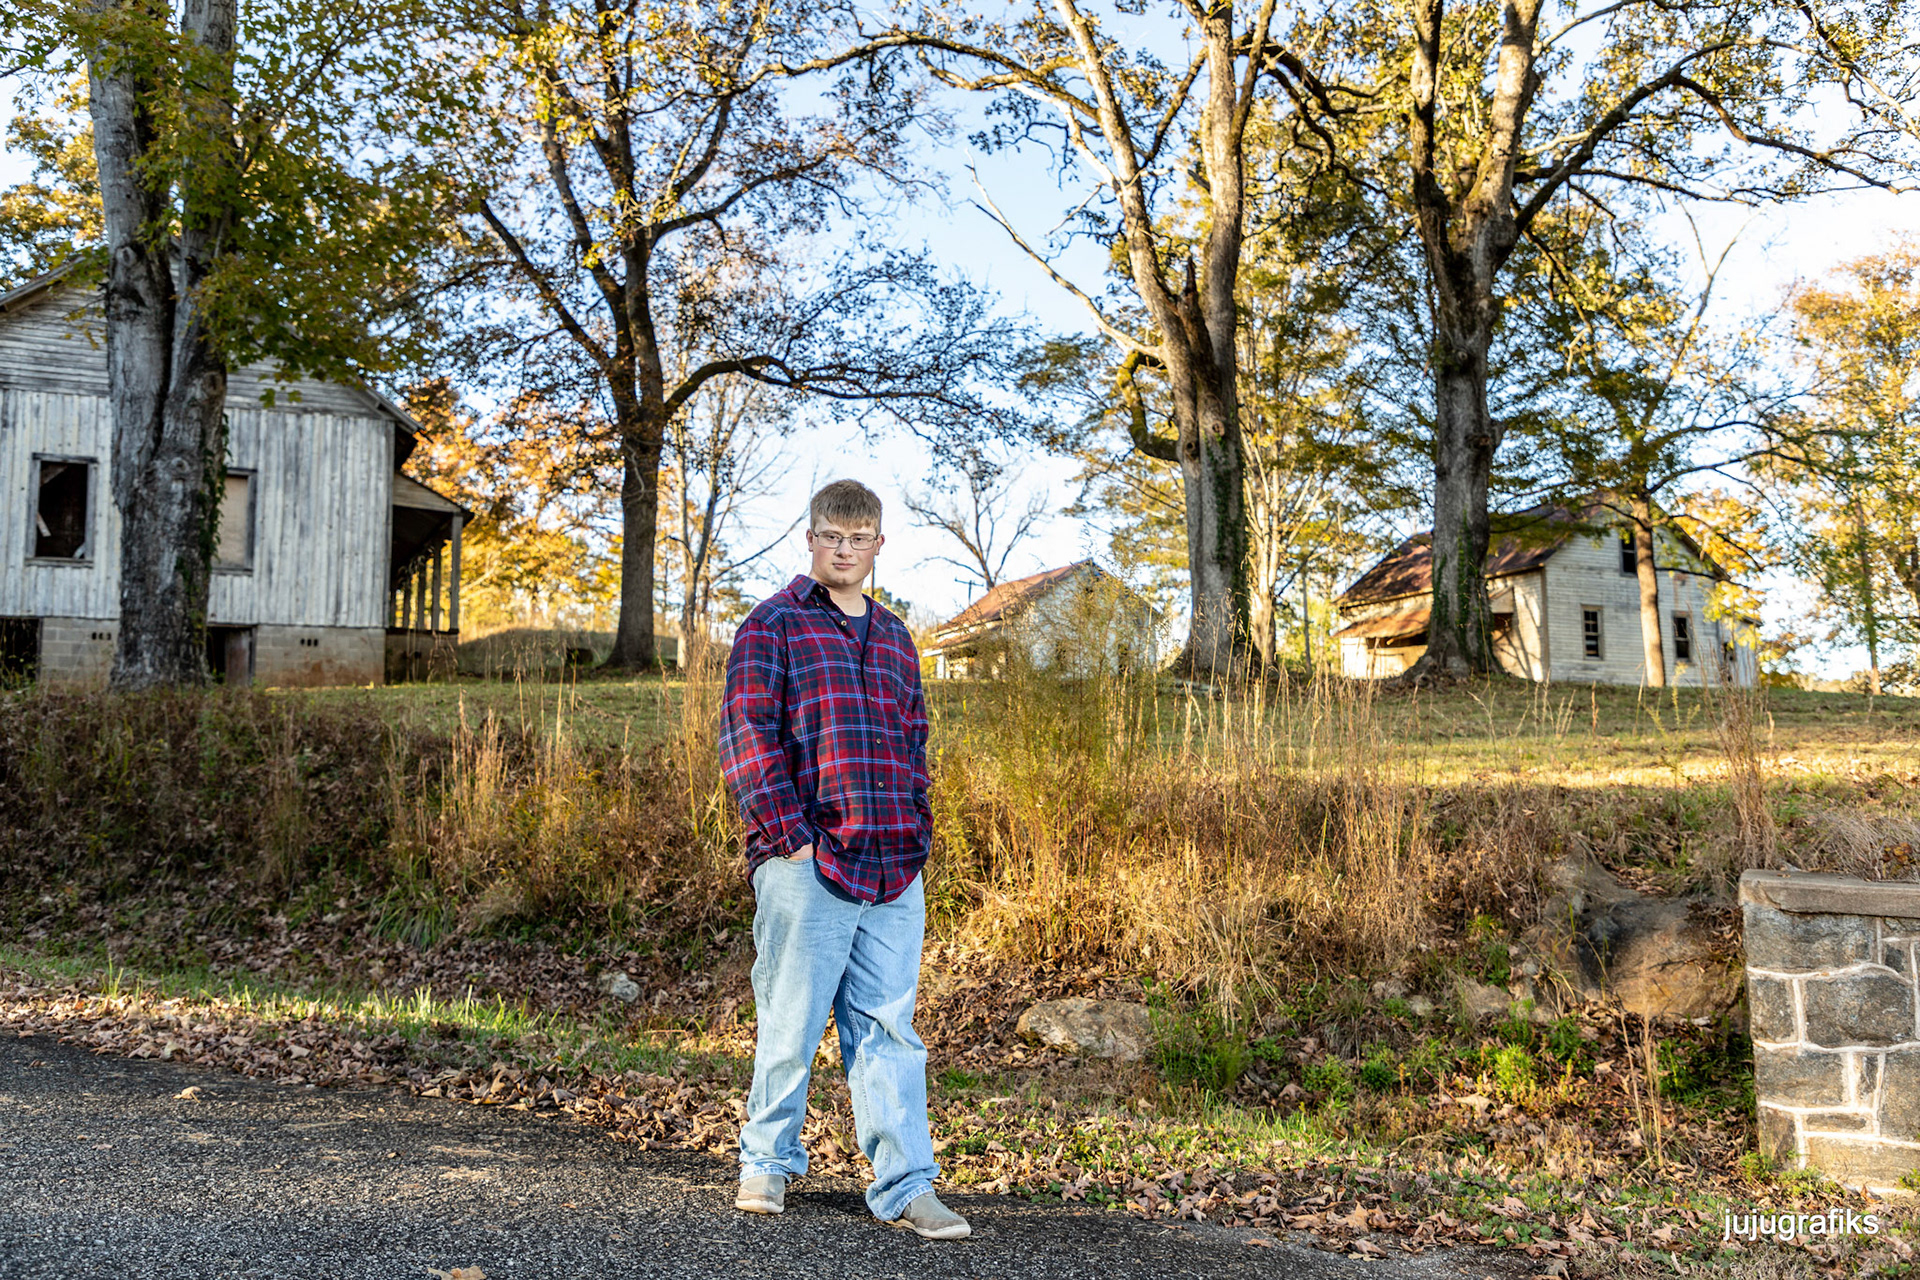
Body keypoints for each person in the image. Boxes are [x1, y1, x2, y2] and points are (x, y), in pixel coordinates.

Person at [717, 478, 970, 1241]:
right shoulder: (773, 625)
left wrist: (918, 826)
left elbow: (914, 741)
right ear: (811, 539)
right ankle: (766, 1161)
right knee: (790, 1021)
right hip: (808, 859)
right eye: (832, 536)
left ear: (878, 545)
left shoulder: (895, 636)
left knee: (890, 1032)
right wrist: (790, 838)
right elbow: (746, 735)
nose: (845, 549)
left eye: (859, 538)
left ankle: (906, 1185)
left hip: (894, 862)